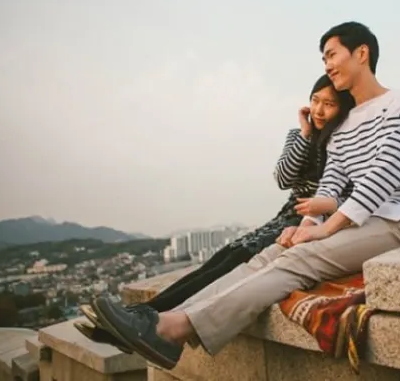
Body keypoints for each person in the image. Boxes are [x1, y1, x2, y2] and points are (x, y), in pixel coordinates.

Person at [92, 21, 400, 370]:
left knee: (299, 259)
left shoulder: (399, 103)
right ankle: (164, 321)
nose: (327, 65)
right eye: (324, 59)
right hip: (358, 224)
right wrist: (305, 226)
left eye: (332, 55)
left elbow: (382, 177)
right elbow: (329, 184)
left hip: (398, 221)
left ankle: (173, 331)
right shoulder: (343, 126)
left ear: (361, 53)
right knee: (267, 255)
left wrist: (323, 230)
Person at [74, 74, 355, 351]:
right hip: (286, 215)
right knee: (222, 258)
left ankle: (141, 322)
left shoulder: (343, 141)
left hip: (310, 221)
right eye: (315, 100)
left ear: (343, 107)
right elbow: (283, 178)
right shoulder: (299, 136)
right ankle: (139, 316)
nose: (319, 110)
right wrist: (305, 134)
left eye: (329, 104)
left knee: (233, 263)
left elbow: (348, 193)